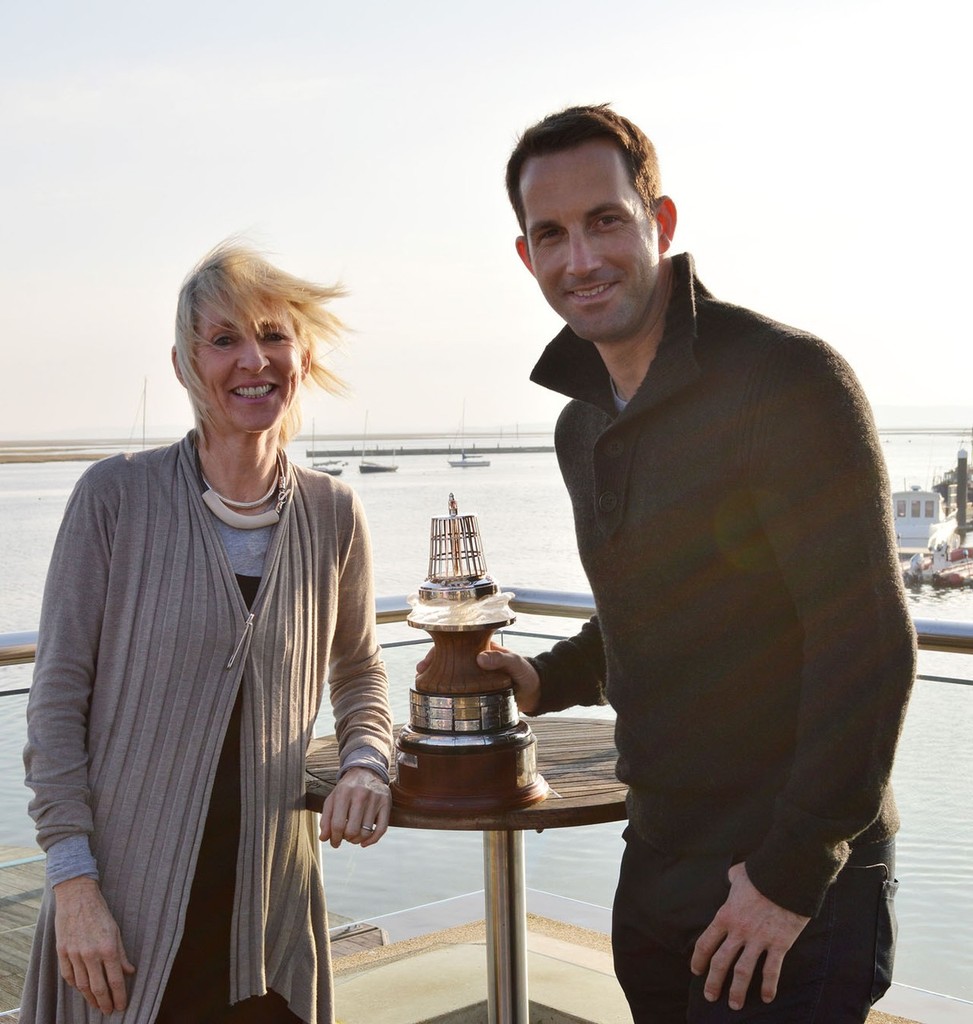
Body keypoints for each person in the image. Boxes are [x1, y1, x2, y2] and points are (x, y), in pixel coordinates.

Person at [485, 105, 916, 1022]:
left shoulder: (785, 380)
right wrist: (543, 678)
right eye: (550, 234)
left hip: (785, 870)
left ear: (660, 222)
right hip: (658, 855)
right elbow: (648, 606)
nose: (582, 259)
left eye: (605, 219)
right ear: (527, 258)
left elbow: (870, 646)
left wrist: (788, 876)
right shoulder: (582, 423)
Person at [22, 242, 394, 1023]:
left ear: (302, 353)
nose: (253, 360)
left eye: (273, 334)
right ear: (186, 363)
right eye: (224, 340)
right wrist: (73, 882)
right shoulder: (114, 500)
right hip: (121, 923)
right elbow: (56, 700)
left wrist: (366, 764)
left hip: (268, 917)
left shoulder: (333, 514)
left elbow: (360, 673)